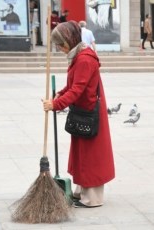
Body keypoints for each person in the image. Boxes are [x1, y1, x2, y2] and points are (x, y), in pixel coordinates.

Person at [42, 21, 115, 208]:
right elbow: (73, 85)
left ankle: (92, 198)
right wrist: (60, 93)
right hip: (83, 111)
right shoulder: (78, 55)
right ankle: (82, 191)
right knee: (82, 154)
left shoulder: (84, 59)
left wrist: (56, 104)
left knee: (90, 155)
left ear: (69, 40)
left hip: (89, 112)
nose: (59, 49)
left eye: (60, 44)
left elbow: (78, 90)